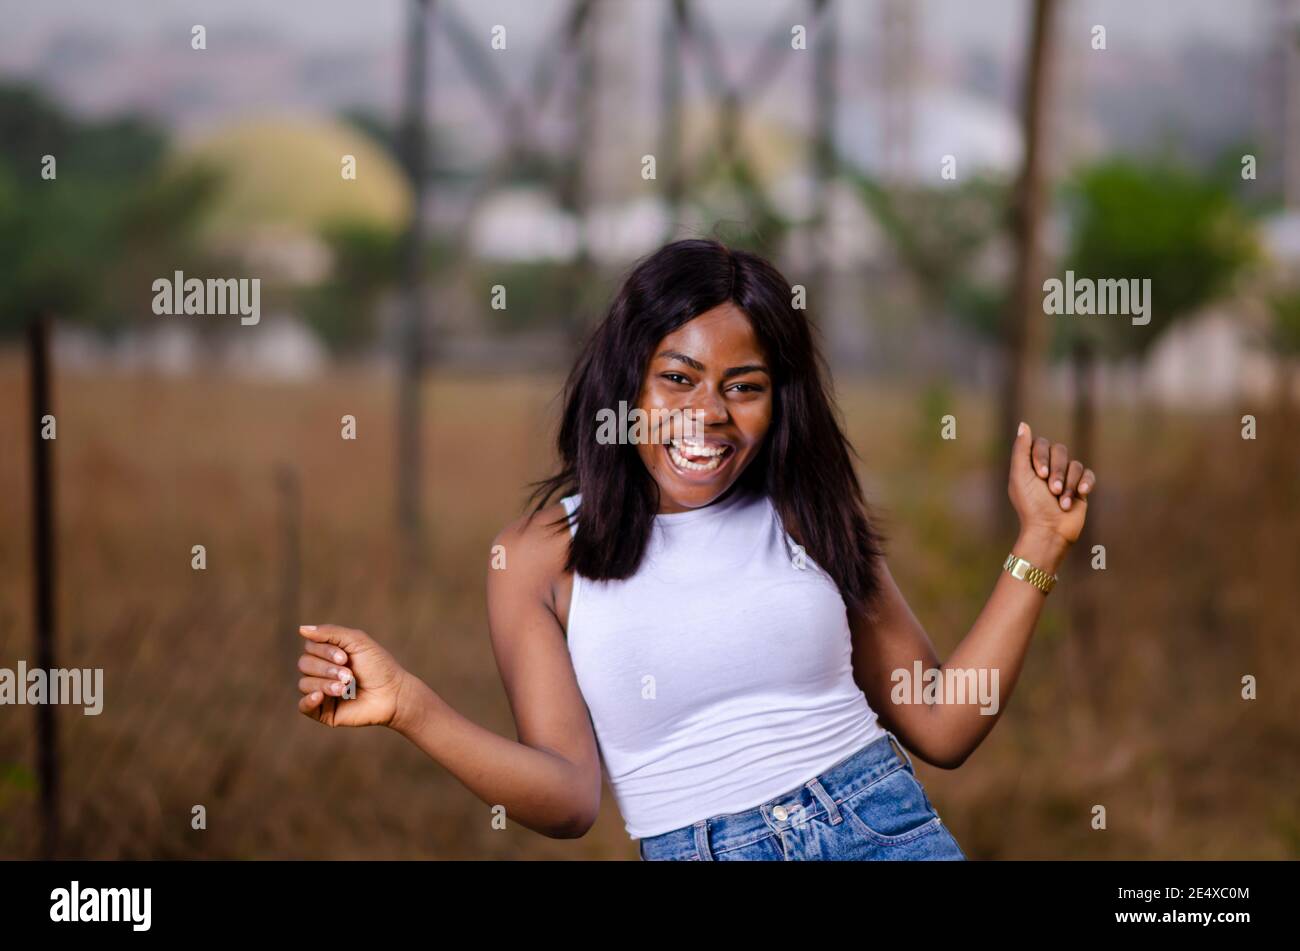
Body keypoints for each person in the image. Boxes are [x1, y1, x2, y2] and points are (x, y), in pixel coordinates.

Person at [294, 237, 1096, 860]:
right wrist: (411, 707)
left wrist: (1041, 542)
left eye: (743, 386)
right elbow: (570, 797)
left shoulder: (804, 509)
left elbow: (944, 723)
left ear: (776, 402)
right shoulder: (538, 558)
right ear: (628, 383)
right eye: (678, 378)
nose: (708, 414)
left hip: (881, 828)